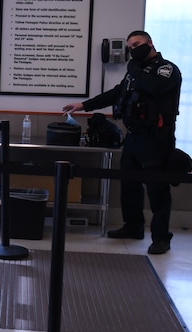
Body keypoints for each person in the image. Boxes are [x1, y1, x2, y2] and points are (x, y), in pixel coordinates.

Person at [63, 31, 182, 255]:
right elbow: (117, 94)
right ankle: (133, 227)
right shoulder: (133, 74)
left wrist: (134, 70)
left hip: (156, 138)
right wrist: (84, 105)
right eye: (130, 47)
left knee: (157, 190)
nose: (133, 50)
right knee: (129, 184)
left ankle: (161, 238)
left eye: (136, 44)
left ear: (150, 43)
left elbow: (154, 88)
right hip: (134, 136)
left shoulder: (166, 69)